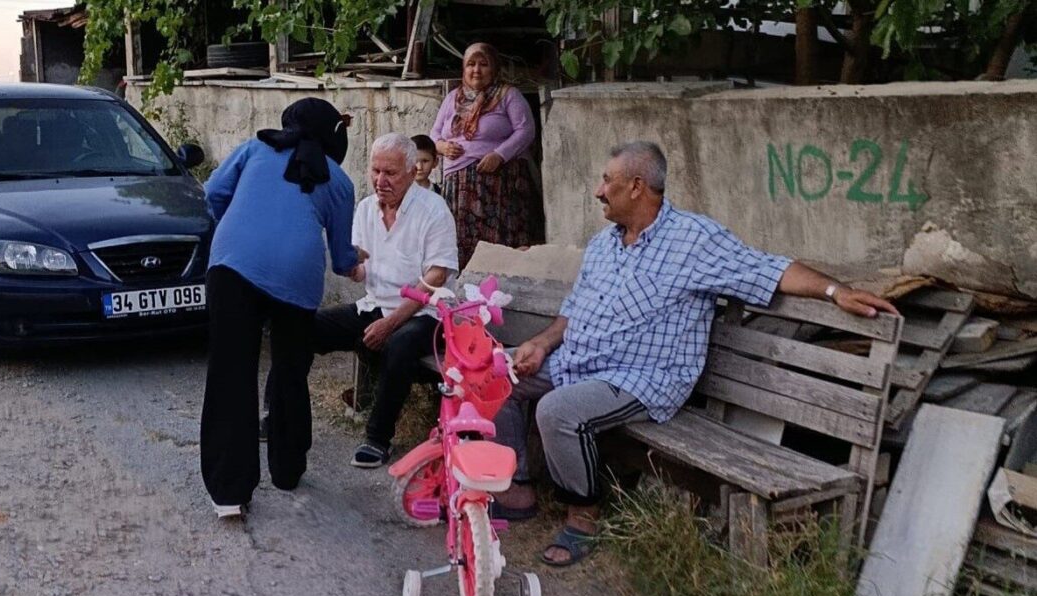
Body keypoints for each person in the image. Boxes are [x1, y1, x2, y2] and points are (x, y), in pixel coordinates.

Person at [490, 141, 899, 566]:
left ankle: (583, 517)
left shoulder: (695, 240)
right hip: (578, 359)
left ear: (636, 187)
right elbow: (573, 312)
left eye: (605, 181)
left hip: (643, 376)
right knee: (494, 371)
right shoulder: (603, 244)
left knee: (557, 411)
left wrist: (837, 291)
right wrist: (541, 342)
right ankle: (517, 490)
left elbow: (769, 270)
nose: (597, 191)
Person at [200, 98, 359, 519]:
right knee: (290, 369)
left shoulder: (254, 148)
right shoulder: (340, 181)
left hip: (232, 263)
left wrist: (237, 225)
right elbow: (342, 259)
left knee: (230, 373)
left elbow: (212, 194)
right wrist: (357, 263)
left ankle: (229, 494)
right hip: (296, 277)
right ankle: (287, 470)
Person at [311, 133, 459, 468]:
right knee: (306, 328)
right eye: (375, 171)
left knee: (400, 343)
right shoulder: (365, 208)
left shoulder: (433, 210)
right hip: (376, 305)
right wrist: (353, 268)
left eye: (390, 173)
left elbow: (436, 277)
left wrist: (391, 323)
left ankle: (378, 439)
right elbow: (363, 269)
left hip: (427, 313)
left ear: (411, 171)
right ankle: (278, 413)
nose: (381, 181)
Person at [431, 42, 542, 268]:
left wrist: (499, 155)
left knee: (499, 248)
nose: (476, 70)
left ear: (495, 68)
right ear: (463, 69)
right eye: (471, 64)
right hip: (458, 187)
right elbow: (433, 133)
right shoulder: (453, 97)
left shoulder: (508, 95)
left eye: (484, 64)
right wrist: (442, 147)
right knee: (459, 242)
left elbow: (526, 130)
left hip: (500, 184)